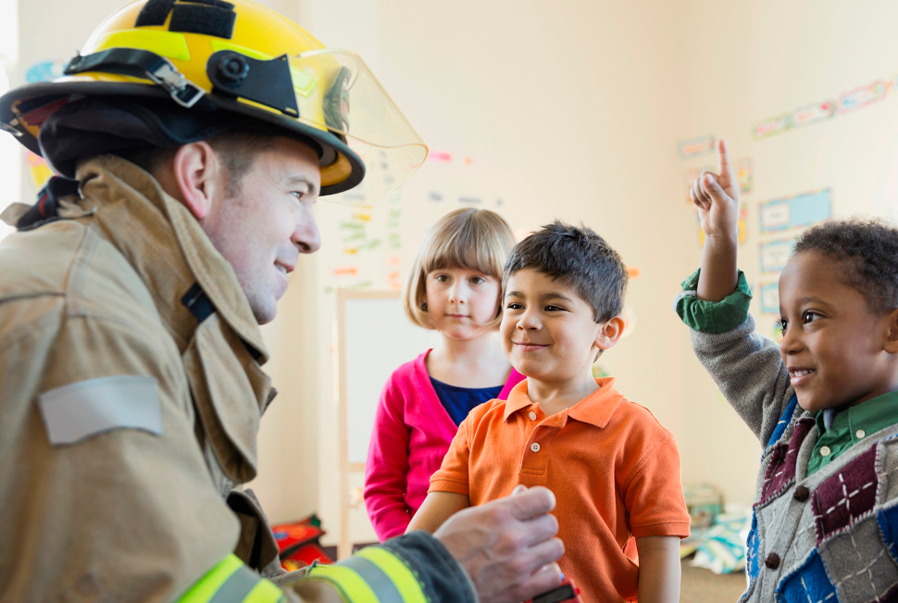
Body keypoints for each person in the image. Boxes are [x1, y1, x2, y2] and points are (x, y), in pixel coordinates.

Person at [0, 1, 565, 602]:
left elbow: (208, 582)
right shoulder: (82, 327)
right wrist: (433, 576)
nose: (312, 234)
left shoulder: (124, 309)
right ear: (198, 177)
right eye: (298, 192)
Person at [408, 222, 691, 603]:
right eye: (514, 305)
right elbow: (423, 538)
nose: (526, 320)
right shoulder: (478, 425)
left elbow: (659, 556)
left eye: (553, 306)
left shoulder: (640, 435)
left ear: (607, 332)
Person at [680, 140, 898, 601]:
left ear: (892, 333)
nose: (786, 340)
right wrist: (720, 239)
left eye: (811, 317)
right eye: (783, 322)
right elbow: (726, 340)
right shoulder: (790, 419)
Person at [365, 208, 526, 541]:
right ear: (423, 288)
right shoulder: (402, 386)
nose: (457, 295)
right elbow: (381, 492)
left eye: (476, 279)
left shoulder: (531, 385)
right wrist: (413, 557)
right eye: (442, 277)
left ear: (505, 290)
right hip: (427, 573)